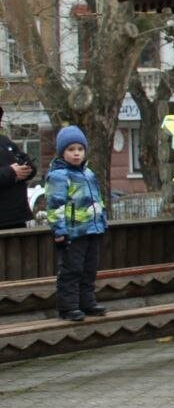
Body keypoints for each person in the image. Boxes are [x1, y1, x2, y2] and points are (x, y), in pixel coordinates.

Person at [45, 125, 108, 322]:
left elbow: (97, 199)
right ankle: (68, 306)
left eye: (80, 149)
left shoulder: (88, 174)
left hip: (92, 228)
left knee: (89, 269)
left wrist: (102, 220)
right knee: (72, 269)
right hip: (73, 231)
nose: (76, 154)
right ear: (62, 152)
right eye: (71, 150)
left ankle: (87, 302)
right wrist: (59, 230)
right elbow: (55, 206)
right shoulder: (59, 176)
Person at [0, 104, 35, 230]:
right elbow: (11, 171)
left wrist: (27, 169)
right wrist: (11, 172)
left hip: (17, 216)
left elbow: (23, 159)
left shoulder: (5, 142)